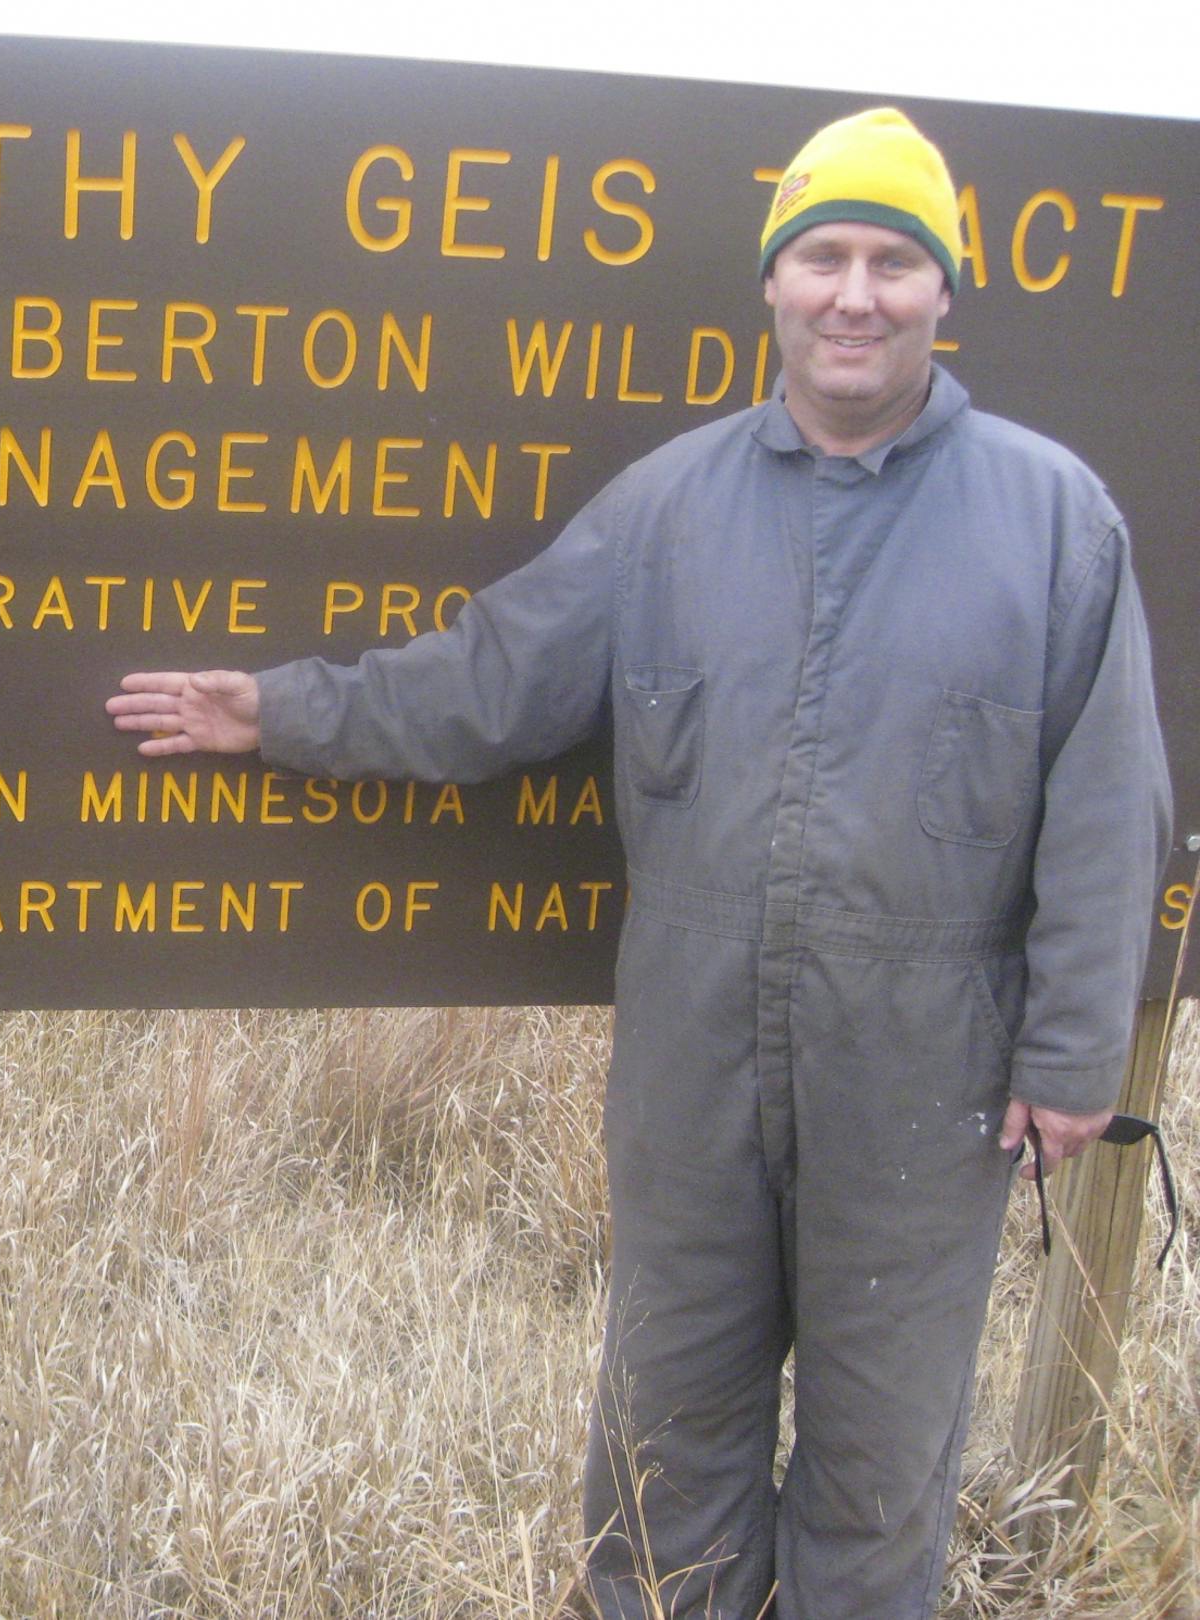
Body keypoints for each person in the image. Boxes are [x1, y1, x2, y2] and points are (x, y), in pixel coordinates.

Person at [108, 108, 1171, 1620]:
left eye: (892, 259)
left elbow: (1109, 792)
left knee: (879, 1477)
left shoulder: (1052, 518)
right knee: (667, 1447)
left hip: (924, 1075)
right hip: (692, 1061)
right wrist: (279, 711)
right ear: (774, 286)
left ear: (946, 291)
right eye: (823, 256)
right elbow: (490, 680)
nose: (854, 293)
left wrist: (1071, 1055)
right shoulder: (670, 506)